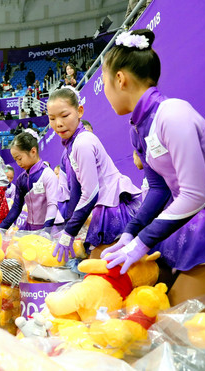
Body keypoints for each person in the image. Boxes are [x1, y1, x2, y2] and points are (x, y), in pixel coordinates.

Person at [99, 29, 205, 304]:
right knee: (159, 302)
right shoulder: (137, 128)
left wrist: (143, 240)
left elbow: (196, 193)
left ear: (120, 79)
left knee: (185, 315)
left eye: (103, 83)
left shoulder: (172, 115)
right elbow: (159, 189)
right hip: (194, 214)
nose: (105, 92)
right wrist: (131, 231)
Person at [47, 87, 142, 263]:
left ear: (79, 111)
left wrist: (69, 232)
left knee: (104, 273)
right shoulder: (71, 146)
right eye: (52, 118)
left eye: (64, 115)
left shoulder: (83, 143)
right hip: (105, 207)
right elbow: (75, 189)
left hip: (111, 209)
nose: (58, 123)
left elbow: (90, 193)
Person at [0, 130, 62, 231]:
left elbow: (52, 205)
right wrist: (1, 228)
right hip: (31, 227)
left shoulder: (48, 175)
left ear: (33, 151)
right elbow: (16, 207)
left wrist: (46, 231)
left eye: (19, 158)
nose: (18, 163)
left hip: (51, 226)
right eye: (15, 160)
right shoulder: (21, 179)